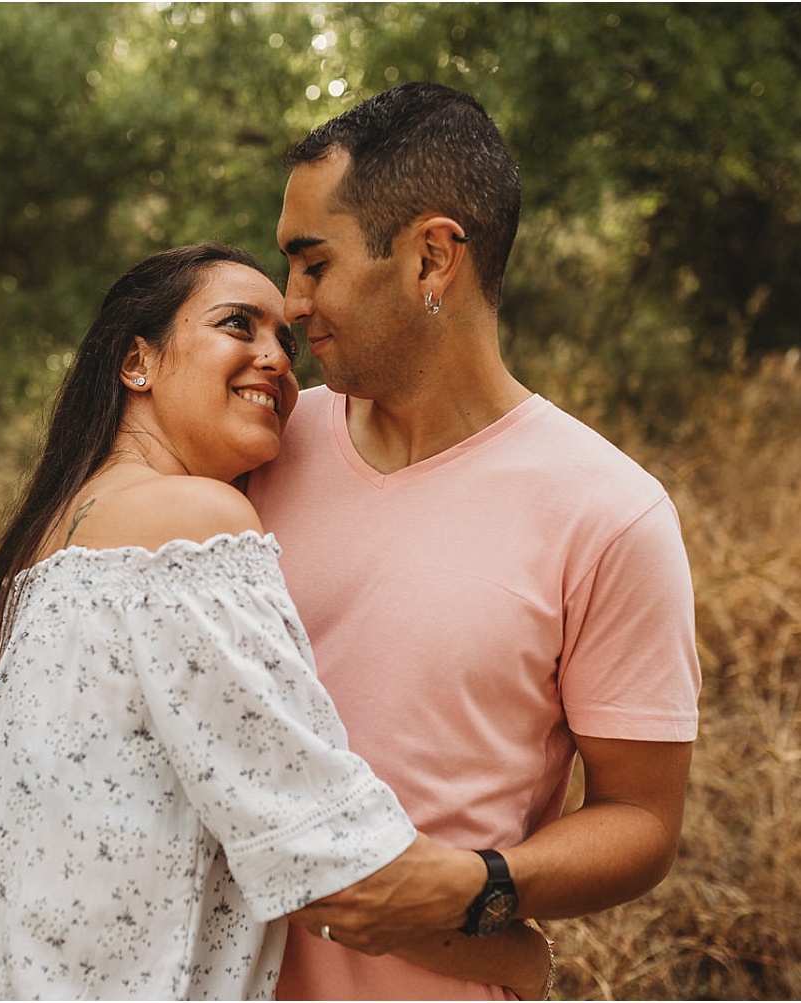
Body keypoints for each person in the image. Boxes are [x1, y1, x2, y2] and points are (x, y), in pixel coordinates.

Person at [0, 243, 554, 1000]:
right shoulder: (193, 524)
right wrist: (512, 953)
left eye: (285, 344)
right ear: (137, 363)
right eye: (238, 326)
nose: (276, 361)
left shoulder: (47, 540)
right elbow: (316, 848)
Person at [251, 83, 702, 999]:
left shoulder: (611, 513)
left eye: (312, 264)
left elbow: (642, 822)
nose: (291, 304)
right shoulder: (260, 446)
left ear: (431, 258)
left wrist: (482, 889)